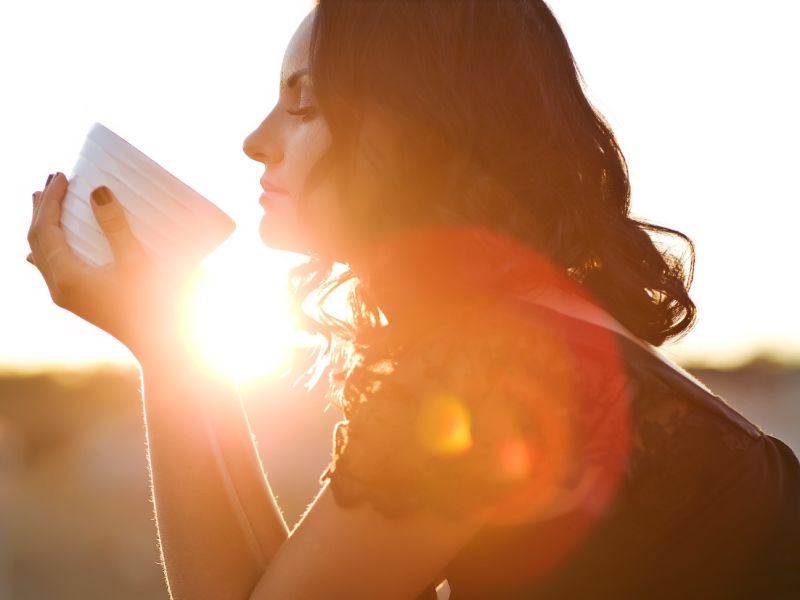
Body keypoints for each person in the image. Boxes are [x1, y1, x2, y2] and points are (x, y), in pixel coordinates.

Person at [26, 1, 800, 598]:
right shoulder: (545, 342)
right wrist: (174, 339)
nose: (255, 140)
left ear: (420, 129)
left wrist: (164, 347)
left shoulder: (495, 369)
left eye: (303, 103)